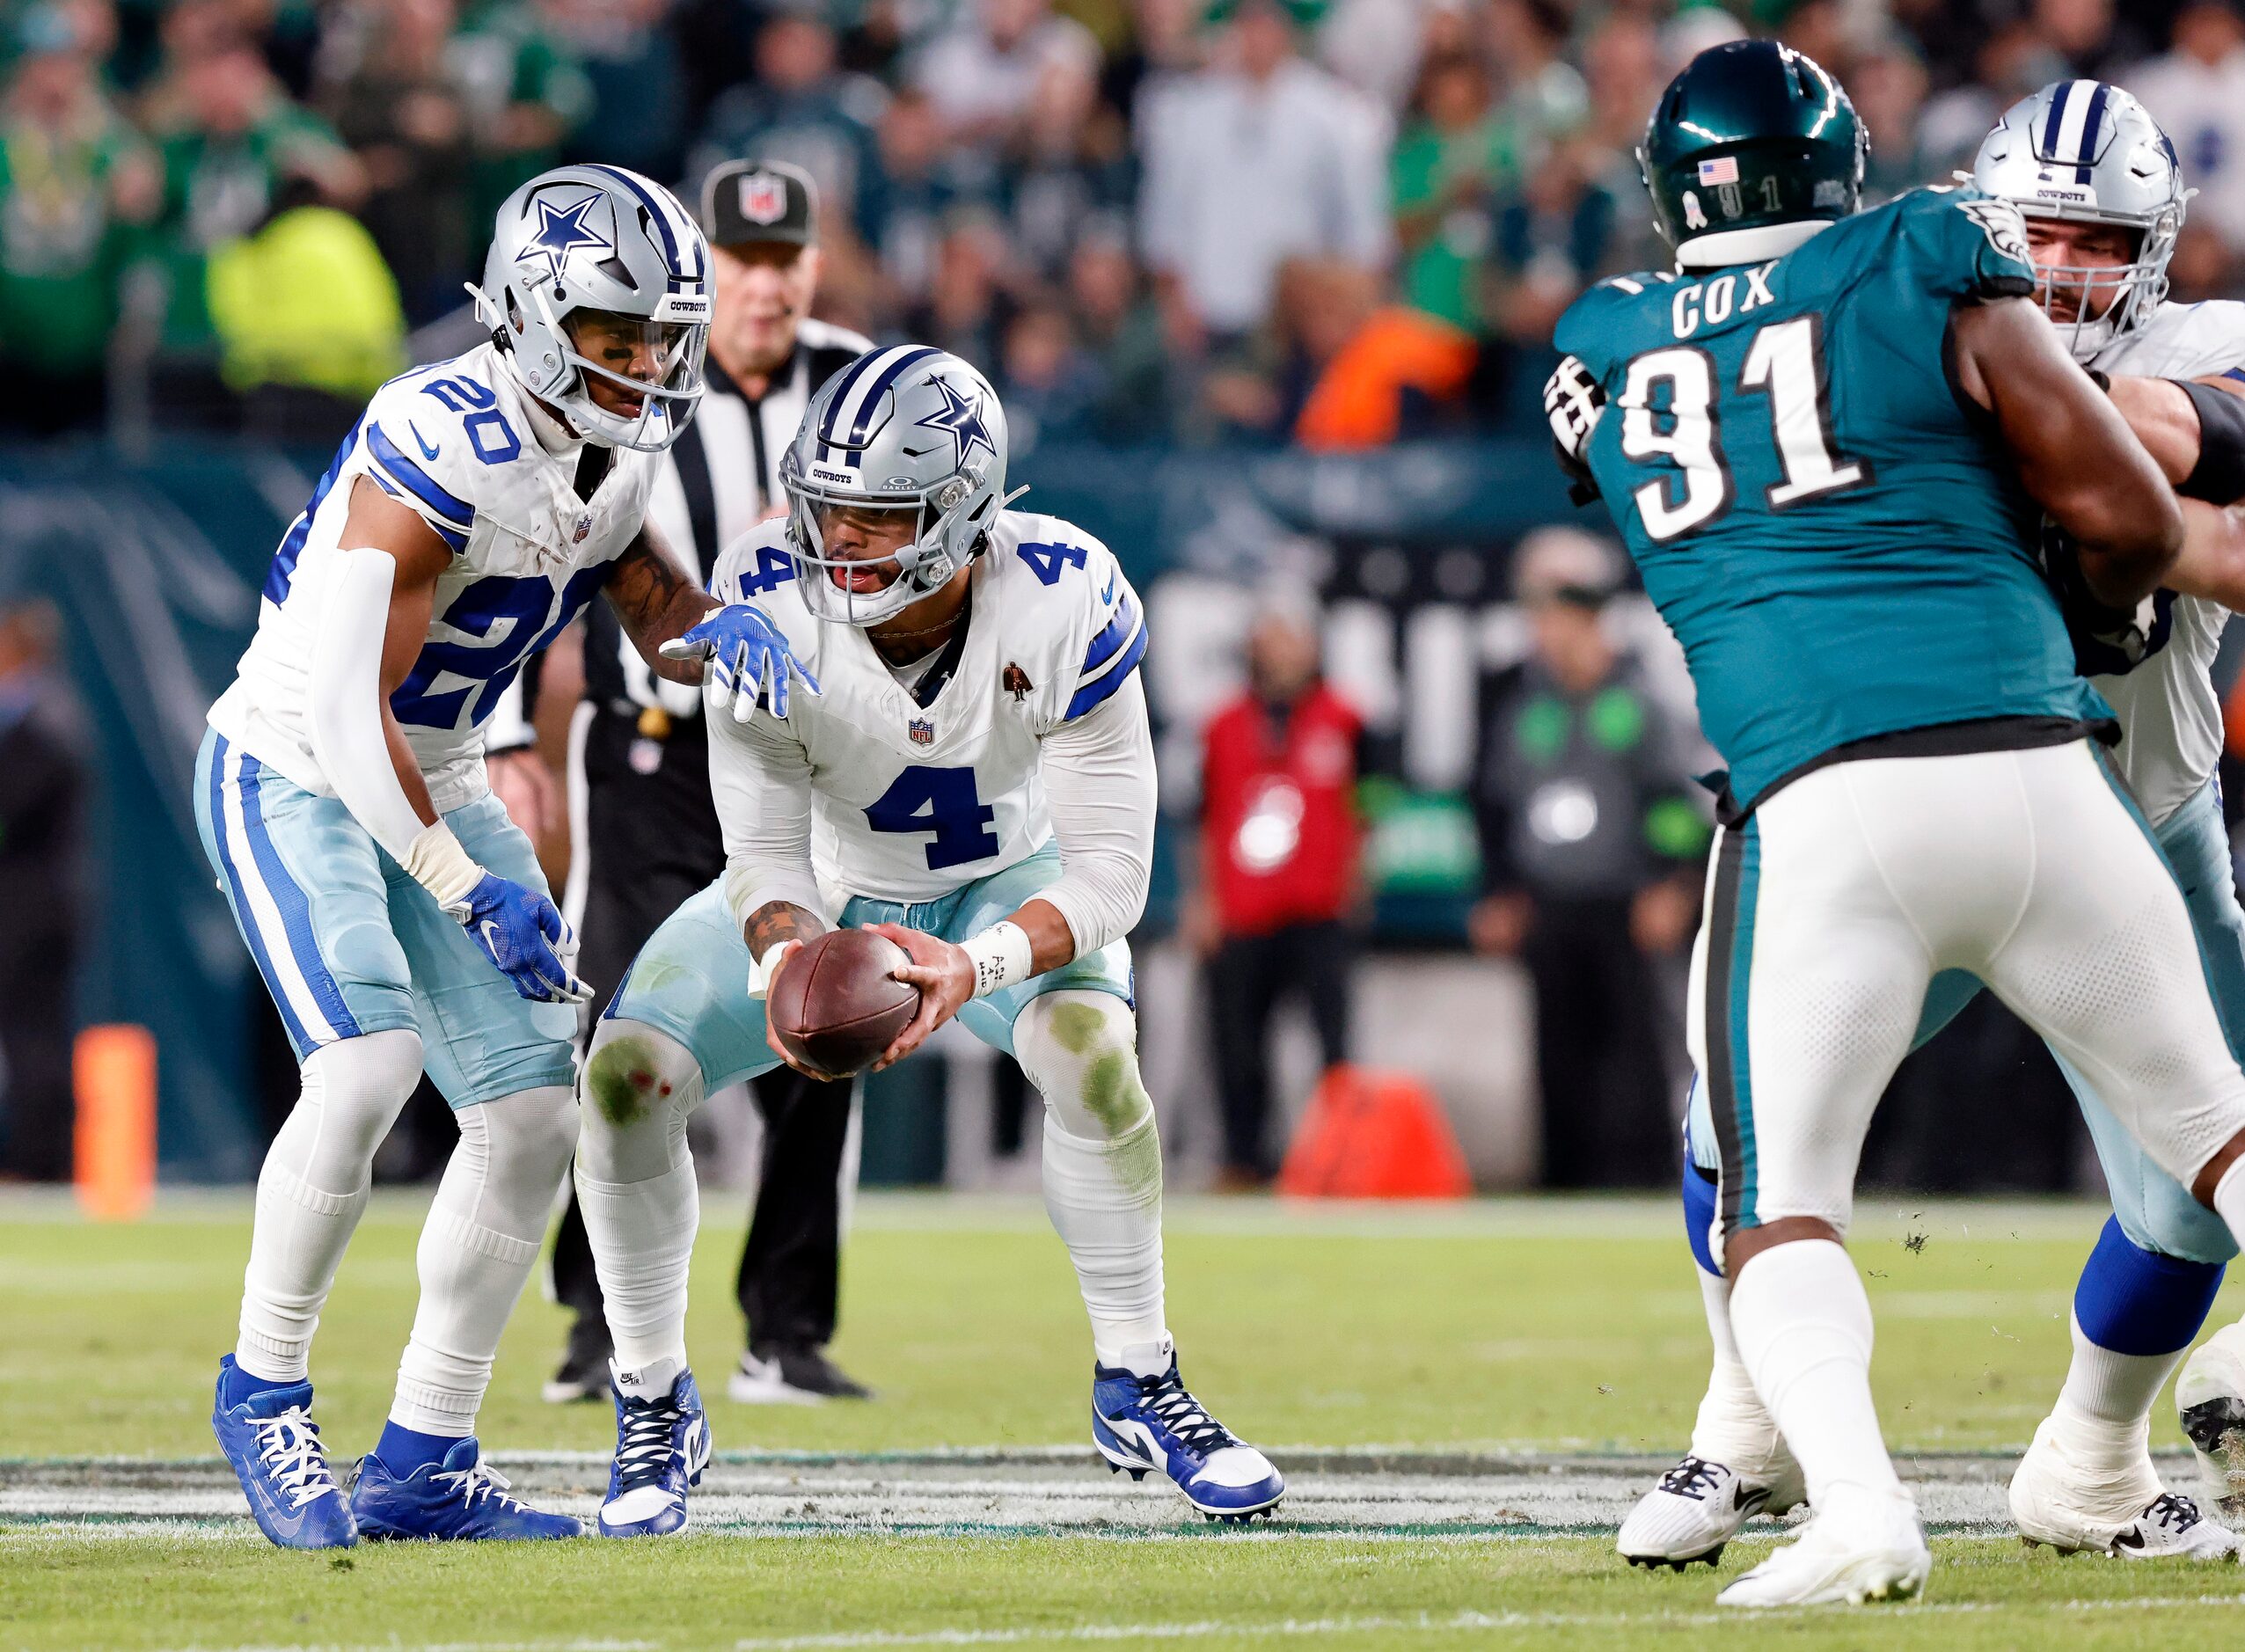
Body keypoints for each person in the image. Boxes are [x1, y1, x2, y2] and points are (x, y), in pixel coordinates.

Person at [1547, 42, 2245, 1606]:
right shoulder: (1908, 298)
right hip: (2015, 787)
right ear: (1970, 215)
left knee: (2173, 1198)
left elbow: (2172, 447)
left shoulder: (2053, 327)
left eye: (2098, 247)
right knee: (1727, 1136)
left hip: (2136, 807)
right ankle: (1744, 1422)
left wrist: (2041, 424)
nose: (2061, 275)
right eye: (2037, 240)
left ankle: (2090, 1457)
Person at [571, 347, 1287, 1539]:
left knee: (1095, 1059)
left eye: (871, 516)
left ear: (958, 515)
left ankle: (1140, 1375)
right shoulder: (765, 598)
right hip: (838, 881)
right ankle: (651, 1397)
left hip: (1009, 879)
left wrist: (980, 965)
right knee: (623, 1079)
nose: (834, 538)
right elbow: (762, 855)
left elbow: (1114, 870)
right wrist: (790, 963)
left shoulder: (1066, 596)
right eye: (824, 506)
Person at [194, 162, 809, 1549]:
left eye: (661, 332)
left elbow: (634, 589)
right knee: (364, 1068)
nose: (647, 362)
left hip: (445, 766)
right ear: (533, 316)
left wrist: (714, 632)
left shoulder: (608, 439)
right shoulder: (434, 435)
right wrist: (466, 882)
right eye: (615, 333)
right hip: (299, 761)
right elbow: (351, 715)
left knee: (536, 1111)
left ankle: (425, 1453)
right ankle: (264, 1386)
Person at [527, 158, 876, 1409]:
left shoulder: (855, 378)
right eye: (742, 260)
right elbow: (549, 542)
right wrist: (523, 731)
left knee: (826, 1021)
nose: (765, 285)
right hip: (653, 755)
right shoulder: (633, 358)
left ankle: (784, 1327)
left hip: (798, 753)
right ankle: (592, 1322)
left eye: (785, 260)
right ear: (705, 265)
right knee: (615, 1026)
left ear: (813, 268)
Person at [1469, 528, 1705, 1190]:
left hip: (1622, 901)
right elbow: (1496, 803)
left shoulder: (1636, 703)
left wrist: (1671, 886)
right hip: (1551, 902)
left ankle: (1637, 1176)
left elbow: (1672, 802)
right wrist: (1503, 891)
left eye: (1555, 616)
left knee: (1632, 1048)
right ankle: (1564, 1177)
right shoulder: (1524, 707)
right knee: (1557, 1047)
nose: (1545, 632)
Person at [1191, 606, 1361, 1188]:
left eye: (1293, 639)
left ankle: (1339, 1159)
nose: (1283, 651)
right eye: (1272, 638)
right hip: (1244, 909)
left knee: (1333, 1045)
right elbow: (1202, 818)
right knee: (1237, 1042)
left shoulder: (1347, 720)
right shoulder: (1221, 726)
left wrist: (1358, 879)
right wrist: (1204, 900)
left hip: (1318, 906)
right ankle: (1244, 1158)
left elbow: (1372, 809)